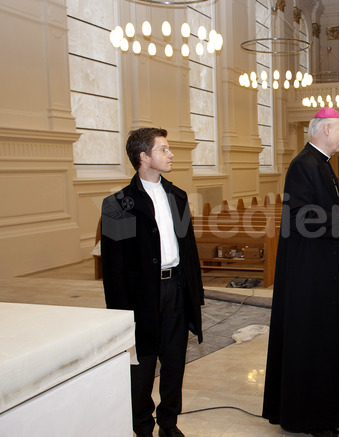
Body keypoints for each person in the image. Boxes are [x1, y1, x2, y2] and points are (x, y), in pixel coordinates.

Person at [262, 107, 339, 437]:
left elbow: (338, 196)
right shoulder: (303, 165)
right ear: (325, 131)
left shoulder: (320, 163)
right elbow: (299, 217)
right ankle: (314, 419)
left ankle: (323, 412)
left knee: (325, 340)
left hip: (323, 270)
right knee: (314, 341)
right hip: (310, 274)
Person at [101, 128, 204, 437]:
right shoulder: (118, 204)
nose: (170, 154)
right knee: (142, 367)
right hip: (141, 295)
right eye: (163, 149)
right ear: (143, 157)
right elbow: (113, 268)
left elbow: (188, 250)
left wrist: (194, 295)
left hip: (176, 290)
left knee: (174, 362)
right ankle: (142, 426)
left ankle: (169, 424)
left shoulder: (178, 196)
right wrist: (120, 314)